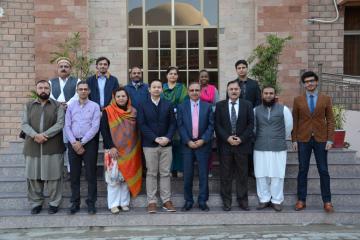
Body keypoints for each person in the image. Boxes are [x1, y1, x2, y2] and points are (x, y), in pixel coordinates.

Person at [292, 71, 335, 213]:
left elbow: (330, 120)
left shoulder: (325, 99)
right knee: (302, 170)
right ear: (304, 84)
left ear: (316, 82)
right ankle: (301, 200)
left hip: (321, 139)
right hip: (303, 139)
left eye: (312, 81)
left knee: (323, 170)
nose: (309, 83)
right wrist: (294, 140)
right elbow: (295, 121)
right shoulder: (298, 100)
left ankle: (327, 201)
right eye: (306, 81)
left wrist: (330, 139)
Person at [21, 80, 65, 215]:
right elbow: (24, 124)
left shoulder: (57, 106)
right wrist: (35, 135)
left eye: (46, 87)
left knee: (54, 177)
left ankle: (54, 203)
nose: (43, 90)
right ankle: (36, 203)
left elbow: (60, 123)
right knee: (33, 178)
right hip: (32, 147)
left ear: (50, 90)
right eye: (40, 88)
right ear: (36, 89)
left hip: (52, 146)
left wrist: (44, 135)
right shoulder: (28, 105)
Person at [100, 87, 142, 214]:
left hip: (131, 150)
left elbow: (137, 131)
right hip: (114, 149)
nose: (121, 98)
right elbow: (104, 130)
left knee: (126, 178)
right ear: (114, 98)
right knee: (113, 178)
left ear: (127, 97)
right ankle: (113, 204)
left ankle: (124, 203)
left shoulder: (133, 112)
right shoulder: (108, 111)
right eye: (118, 96)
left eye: (123, 96)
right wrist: (110, 146)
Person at [137, 79, 177, 213]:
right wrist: (155, 138)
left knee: (165, 173)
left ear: (162, 89)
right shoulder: (142, 105)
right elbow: (142, 125)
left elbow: (173, 123)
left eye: (159, 87)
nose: (156, 89)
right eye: (154, 87)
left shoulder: (168, 104)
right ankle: (152, 201)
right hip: (150, 144)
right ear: (149, 90)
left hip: (167, 143)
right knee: (152, 173)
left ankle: (166, 200)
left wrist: (167, 137)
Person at [215, 79, 254, 211]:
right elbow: (217, 125)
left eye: (236, 89)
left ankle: (243, 201)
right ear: (227, 91)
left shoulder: (247, 105)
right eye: (231, 89)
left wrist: (241, 139)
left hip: (242, 145)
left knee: (242, 175)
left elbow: (251, 125)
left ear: (240, 91)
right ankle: (226, 201)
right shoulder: (220, 105)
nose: (233, 91)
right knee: (225, 175)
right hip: (225, 145)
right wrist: (227, 138)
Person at [253, 86, 293, 212]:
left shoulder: (284, 109)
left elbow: (288, 126)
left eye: (271, 93)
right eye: (266, 93)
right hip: (260, 146)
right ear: (262, 95)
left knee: (277, 175)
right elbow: (253, 128)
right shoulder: (256, 110)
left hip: (278, 147)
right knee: (261, 174)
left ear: (275, 95)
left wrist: (278, 138)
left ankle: (276, 200)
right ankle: (264, 199)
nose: (268, 95)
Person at [64, 81, 101, 214]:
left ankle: (91, 203)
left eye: (86, 89)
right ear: (77, 91)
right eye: (81, 89)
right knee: (74, 175)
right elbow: (67, 125)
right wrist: (74, 142)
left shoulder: (95, 106)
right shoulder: (71, 106)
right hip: (73, 143)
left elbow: (95, 127)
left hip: (89, 143)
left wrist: (82, 142)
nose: (83, 91)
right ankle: (75, 203)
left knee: (91, 174)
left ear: (89, 91)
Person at [177, 82, 214, 212]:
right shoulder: (182, 107)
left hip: (203, 145)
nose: (194, 92)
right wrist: (188, 141)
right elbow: (180, 125)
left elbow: (211, 125)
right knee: (188, 174)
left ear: (200, 92)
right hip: (187, 145)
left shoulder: (208, 107)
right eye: (192, 90)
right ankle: (188, 201)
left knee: (203, 174)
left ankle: (203, 200)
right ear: (188, 92)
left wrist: (203, 140)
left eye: (197, 90)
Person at [49, 57, 80, 175]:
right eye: (61, 67)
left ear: (70, 69)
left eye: (66, 67)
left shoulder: (76, 81)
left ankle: (70, 169)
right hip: (56, 115)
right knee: (58, 142)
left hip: (71, 114)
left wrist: (67, 104)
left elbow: (78, 95)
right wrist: (59, 105)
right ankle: (58, 168)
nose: (63, 69)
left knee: (69, 141)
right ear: (57, 69)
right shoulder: (51, 82)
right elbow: (50, 96)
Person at [235, 59, 261, 179]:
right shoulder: (233, 84)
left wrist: (253, 113)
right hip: (236, 119)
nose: (241, 70)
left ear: (247, 68)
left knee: (250, 143)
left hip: (251, 118)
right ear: (236, 70)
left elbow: (258, 100)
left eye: (243, 67)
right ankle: (238, 170)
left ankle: (251, 169)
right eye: (239, 68)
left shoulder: (254, 84)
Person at [162, 66, 188, 177]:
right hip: (164, 119)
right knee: (166, 145)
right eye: (171, 73)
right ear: (166, 75)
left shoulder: (182, 88)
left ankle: (179, 169)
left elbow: (184, 101)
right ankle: (168, 169)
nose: (173, 75)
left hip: (178, 118)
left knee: (178, 144)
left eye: (175, 74)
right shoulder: (162, 87)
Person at [199, 69, 219, 178]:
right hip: (197, 120)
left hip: (210, 119)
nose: (204, 78)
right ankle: (200, 169)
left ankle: (209, 169)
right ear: (199, 78)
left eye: (206, 76)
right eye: (202, 76)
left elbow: (217, 105)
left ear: (208, 78)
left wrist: (208, 109)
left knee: (208, 145)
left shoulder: (213, 89)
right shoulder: (196, 89)